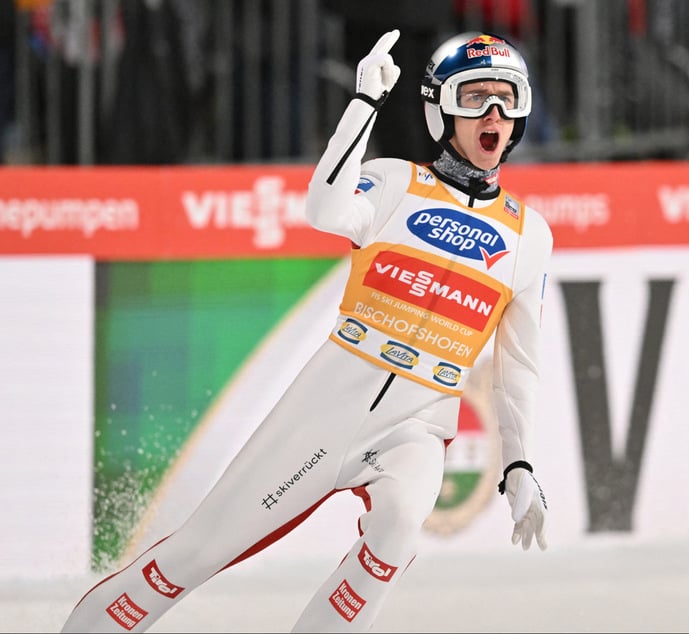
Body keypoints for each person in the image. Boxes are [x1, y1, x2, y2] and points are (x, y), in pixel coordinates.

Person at [61, 28, 552, 633]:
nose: (494, 114)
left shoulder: (531, 236)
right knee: (195, 553)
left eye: (507, 99)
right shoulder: (397, 180)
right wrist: (363, 104)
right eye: (474, 97)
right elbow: (322, 210)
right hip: (327, 411)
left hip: (419, 426)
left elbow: (518, 368)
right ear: (439, 108)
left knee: (397, 530)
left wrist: (519, 466)